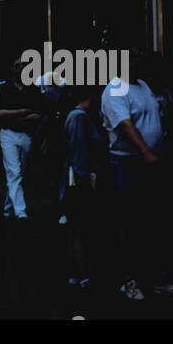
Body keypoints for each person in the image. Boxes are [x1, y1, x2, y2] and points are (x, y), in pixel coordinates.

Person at [100, 47, 173, 301]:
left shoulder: (142, 85)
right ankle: (129, 280)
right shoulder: (115, 89)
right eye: (136, 56)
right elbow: (125, 125)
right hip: (127, 164)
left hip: (153, 163)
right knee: (129, 221)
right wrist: (146, 153)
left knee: (156, 219)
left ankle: (159, 278)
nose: (141, 60)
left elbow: (157, 116)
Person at [0, 54, 47, 221]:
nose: (21, 69)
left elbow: (38, 114)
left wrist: (13, 116)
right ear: (11, 68)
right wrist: (22, 112)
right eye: (17, 66)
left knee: (16, 173)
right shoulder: (3, 89)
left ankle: (7, 210)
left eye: (23, 65)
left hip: (26, 136)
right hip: (8, 134)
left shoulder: (32, 90)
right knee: (14, 172)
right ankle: (21, 213)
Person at [63, 86, 105, 289]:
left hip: (77, 182)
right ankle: (80, 274)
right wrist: (84, 184)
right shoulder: (79, 118)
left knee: (76, 229)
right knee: (79, 229)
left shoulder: (79, 117)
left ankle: (76, 273)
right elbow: (79, 155)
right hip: (79, 184)